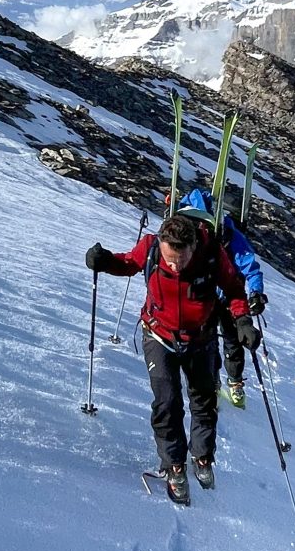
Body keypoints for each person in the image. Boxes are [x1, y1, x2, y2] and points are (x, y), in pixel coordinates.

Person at [85, 213, 257, 504]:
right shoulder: (152, 246)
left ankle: (202, 457)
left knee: (204, 400)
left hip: (200, 340)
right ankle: (174, 465)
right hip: (158, 335)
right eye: (169, 260)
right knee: (167, 401)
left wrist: (242, 321)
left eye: (181, 259)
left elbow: (234, 288)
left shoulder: (212, 253)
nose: (175, 266)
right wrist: (104, 261)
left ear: (193, 247)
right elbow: (128, 263)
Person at [177, 188, 268, 408]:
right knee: (209, 340)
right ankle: (214, 380)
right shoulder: (187, 232)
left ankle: (235, 382)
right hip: (204, 295)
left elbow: (249, 265)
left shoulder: (228, 233)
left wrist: (255, 292)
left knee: (232, 339)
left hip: (227, 294)